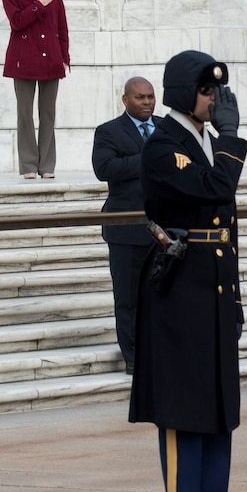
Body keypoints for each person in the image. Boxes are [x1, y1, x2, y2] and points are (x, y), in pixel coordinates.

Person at [130, 51, 247, 492]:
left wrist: (237, 295)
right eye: (207, 91)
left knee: (219, 407)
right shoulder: (165, 147)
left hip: (214, 289)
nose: (215, 100)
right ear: (187, 94)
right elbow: (213, 190)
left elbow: (227, 224)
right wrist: (230, 141)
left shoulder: (204, 143)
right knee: (186, 411)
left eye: (218, 92)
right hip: (180, 293)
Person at [93, 76, 158, 371]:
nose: (146, 102)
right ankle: (134, 358)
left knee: (163, 295)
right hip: (127, 230)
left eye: (150, 97)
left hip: (166, 230)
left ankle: (161, 352)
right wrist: (148, 159)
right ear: (125, 100)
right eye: (140, 98)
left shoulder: (167, 128)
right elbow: (105, 168)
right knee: (129, 298)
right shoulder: (109, 131)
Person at [0, 0, 71, 179]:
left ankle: (47, 165)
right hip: (24, 59)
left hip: (51, 57)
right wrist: (37, 5)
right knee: (25, 113)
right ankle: (29, 165)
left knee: (48, 113)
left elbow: (61, 25)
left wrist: (64, 55)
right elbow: (17, 21)